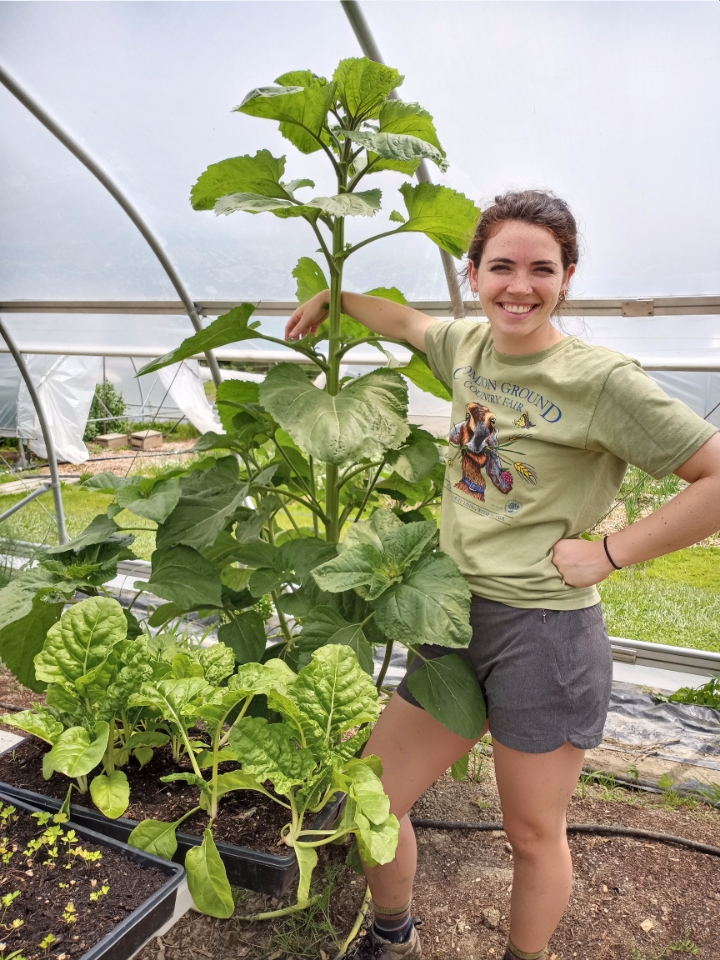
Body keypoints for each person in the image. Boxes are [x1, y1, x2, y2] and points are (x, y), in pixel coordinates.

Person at [285, 190, 720, 960]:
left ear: (567, 277)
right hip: (452, 617)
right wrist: (334, 299)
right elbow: (407, 323)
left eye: (541, 269)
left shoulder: (600, 380)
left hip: (545, 634)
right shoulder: (467, 346)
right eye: (502, 267)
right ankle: (391, 936)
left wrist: (611, 553)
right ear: (475, 274)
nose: (520, 286)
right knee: (376, 796)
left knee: (531, 832)